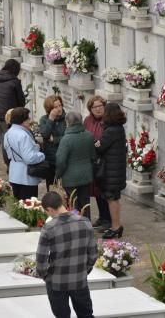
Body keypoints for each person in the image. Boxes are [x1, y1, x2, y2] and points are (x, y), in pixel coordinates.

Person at [35, 191, 97, 318]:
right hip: (79, 279)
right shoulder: (85, 222)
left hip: (56, 281)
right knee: (86, 314)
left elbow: (41, 259)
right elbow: (93, 254)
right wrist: (84, 271)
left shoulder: (49, 228)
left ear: (50, 209)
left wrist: (46, 276)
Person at [0, 59, 26, 176]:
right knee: (7, 140)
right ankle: (9, 165)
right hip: (6, 116)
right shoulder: (15, 82)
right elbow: (21, 101)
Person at [54, 111, 95, 218]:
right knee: (85, 204)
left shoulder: (66, 139)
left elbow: (61, 161)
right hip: (86, 176)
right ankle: (86, 226)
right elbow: (93, 156)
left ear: (67, 122)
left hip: (70, 178)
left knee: (73, 205)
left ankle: (75, 227)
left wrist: (58, 175)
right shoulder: (89, 135)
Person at [96, 102, 127, 239]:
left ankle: (116, 227)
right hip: (116, 171)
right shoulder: (118, 128)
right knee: (114, 198)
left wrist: (97, 144)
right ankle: (116, 226)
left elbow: (100, 147)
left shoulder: (111, 131)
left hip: (111, 172)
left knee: (112, 199)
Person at [3, 107, 45, 200]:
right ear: (23, 120)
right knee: (28, 207)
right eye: (28, 118)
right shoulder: (23, 135)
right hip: (26, 176)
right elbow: (29, 158)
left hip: (14, 173)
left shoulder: (8, 133)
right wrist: (42, 155)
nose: (30, 120)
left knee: (19, 205)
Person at [83, 96, 110, 230]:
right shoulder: (87, 120)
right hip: (92, 160)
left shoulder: (108, 121)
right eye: (95, 107)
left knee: (104, 191)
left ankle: (107, 219)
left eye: (100, 106)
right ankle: (102, 216)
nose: (98, 109)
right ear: (90, 109)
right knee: (96, 191)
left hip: (104, 161)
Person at [38, 94, 66, 189]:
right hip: (51, 160)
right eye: (55, 107)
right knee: (52, 188)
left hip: (64, 159)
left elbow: (69, 137)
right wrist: (51, 119)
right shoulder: (44, 119)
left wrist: (55, 139)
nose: (59, 109)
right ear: (49, 109)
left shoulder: (67, 119)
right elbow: (45, 134)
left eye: (60, 105)